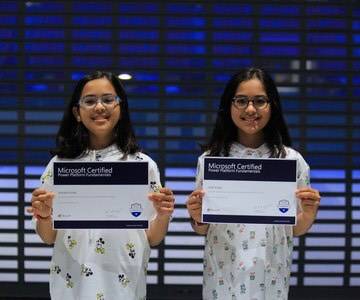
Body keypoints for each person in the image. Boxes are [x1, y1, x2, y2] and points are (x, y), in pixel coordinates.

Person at [26, 71, 175, 300]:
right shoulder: (59, 166)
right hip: (71, 285)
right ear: (77, 112)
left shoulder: (143, 166)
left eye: (108, 100)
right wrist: (44, 217)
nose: (99, 107)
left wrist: (163, 215)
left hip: (124, 283)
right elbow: (48, 237)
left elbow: (152, 238)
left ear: (120, 107)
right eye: (89, 101)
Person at [186, 67, 320, 300]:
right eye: (241, 101)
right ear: (228, 105)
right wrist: (196, 215)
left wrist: (308, 214)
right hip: (222, 277)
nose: (250, 109)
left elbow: (295, 228)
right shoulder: (210, 160)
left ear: (272, 106)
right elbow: (203, 228)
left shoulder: (291, 161)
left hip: (272, 278)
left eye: (259, 101)